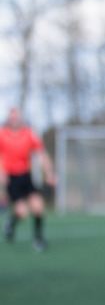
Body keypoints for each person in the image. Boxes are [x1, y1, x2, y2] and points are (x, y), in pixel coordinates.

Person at [0, 107, 55, 252]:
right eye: (11, 116)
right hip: (11, 178)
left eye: (16, 116)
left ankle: (38, 239)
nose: (14, 119)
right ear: (8, 118)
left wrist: (49, 172)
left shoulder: (28, 133)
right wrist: (1, 173)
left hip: (26, 176)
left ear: (20, 118)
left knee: (38, 207)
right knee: (22, 212)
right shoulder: (2, 134)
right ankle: (11, 223)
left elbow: (41, 153)